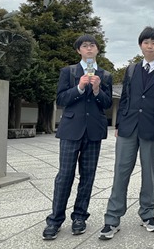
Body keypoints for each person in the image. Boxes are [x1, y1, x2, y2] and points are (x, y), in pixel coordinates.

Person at [99, 27, 154, 240]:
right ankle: (112, 218)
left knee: (149, 174)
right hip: (128, 128)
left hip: (151, 129)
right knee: (120, 172)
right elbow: (125, 98)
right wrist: (119, 124)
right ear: (140, 45)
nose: (150, 46)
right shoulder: (132, 69)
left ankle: (147, 214)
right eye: (146, 42)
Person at [43, 34, 113, 240]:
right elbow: (61, 99)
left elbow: (108, 103)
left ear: (98, 50)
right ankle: (55, 220)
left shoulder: (105, 74)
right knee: (65, 175)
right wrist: (80, 87)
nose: (89, 49)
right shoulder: (69, 71)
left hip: (94, 130)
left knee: (88, 176)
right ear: (79, 51)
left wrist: (97, 89)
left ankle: (80, 217)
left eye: (93, 46)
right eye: (85, 46)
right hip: (71, 129)